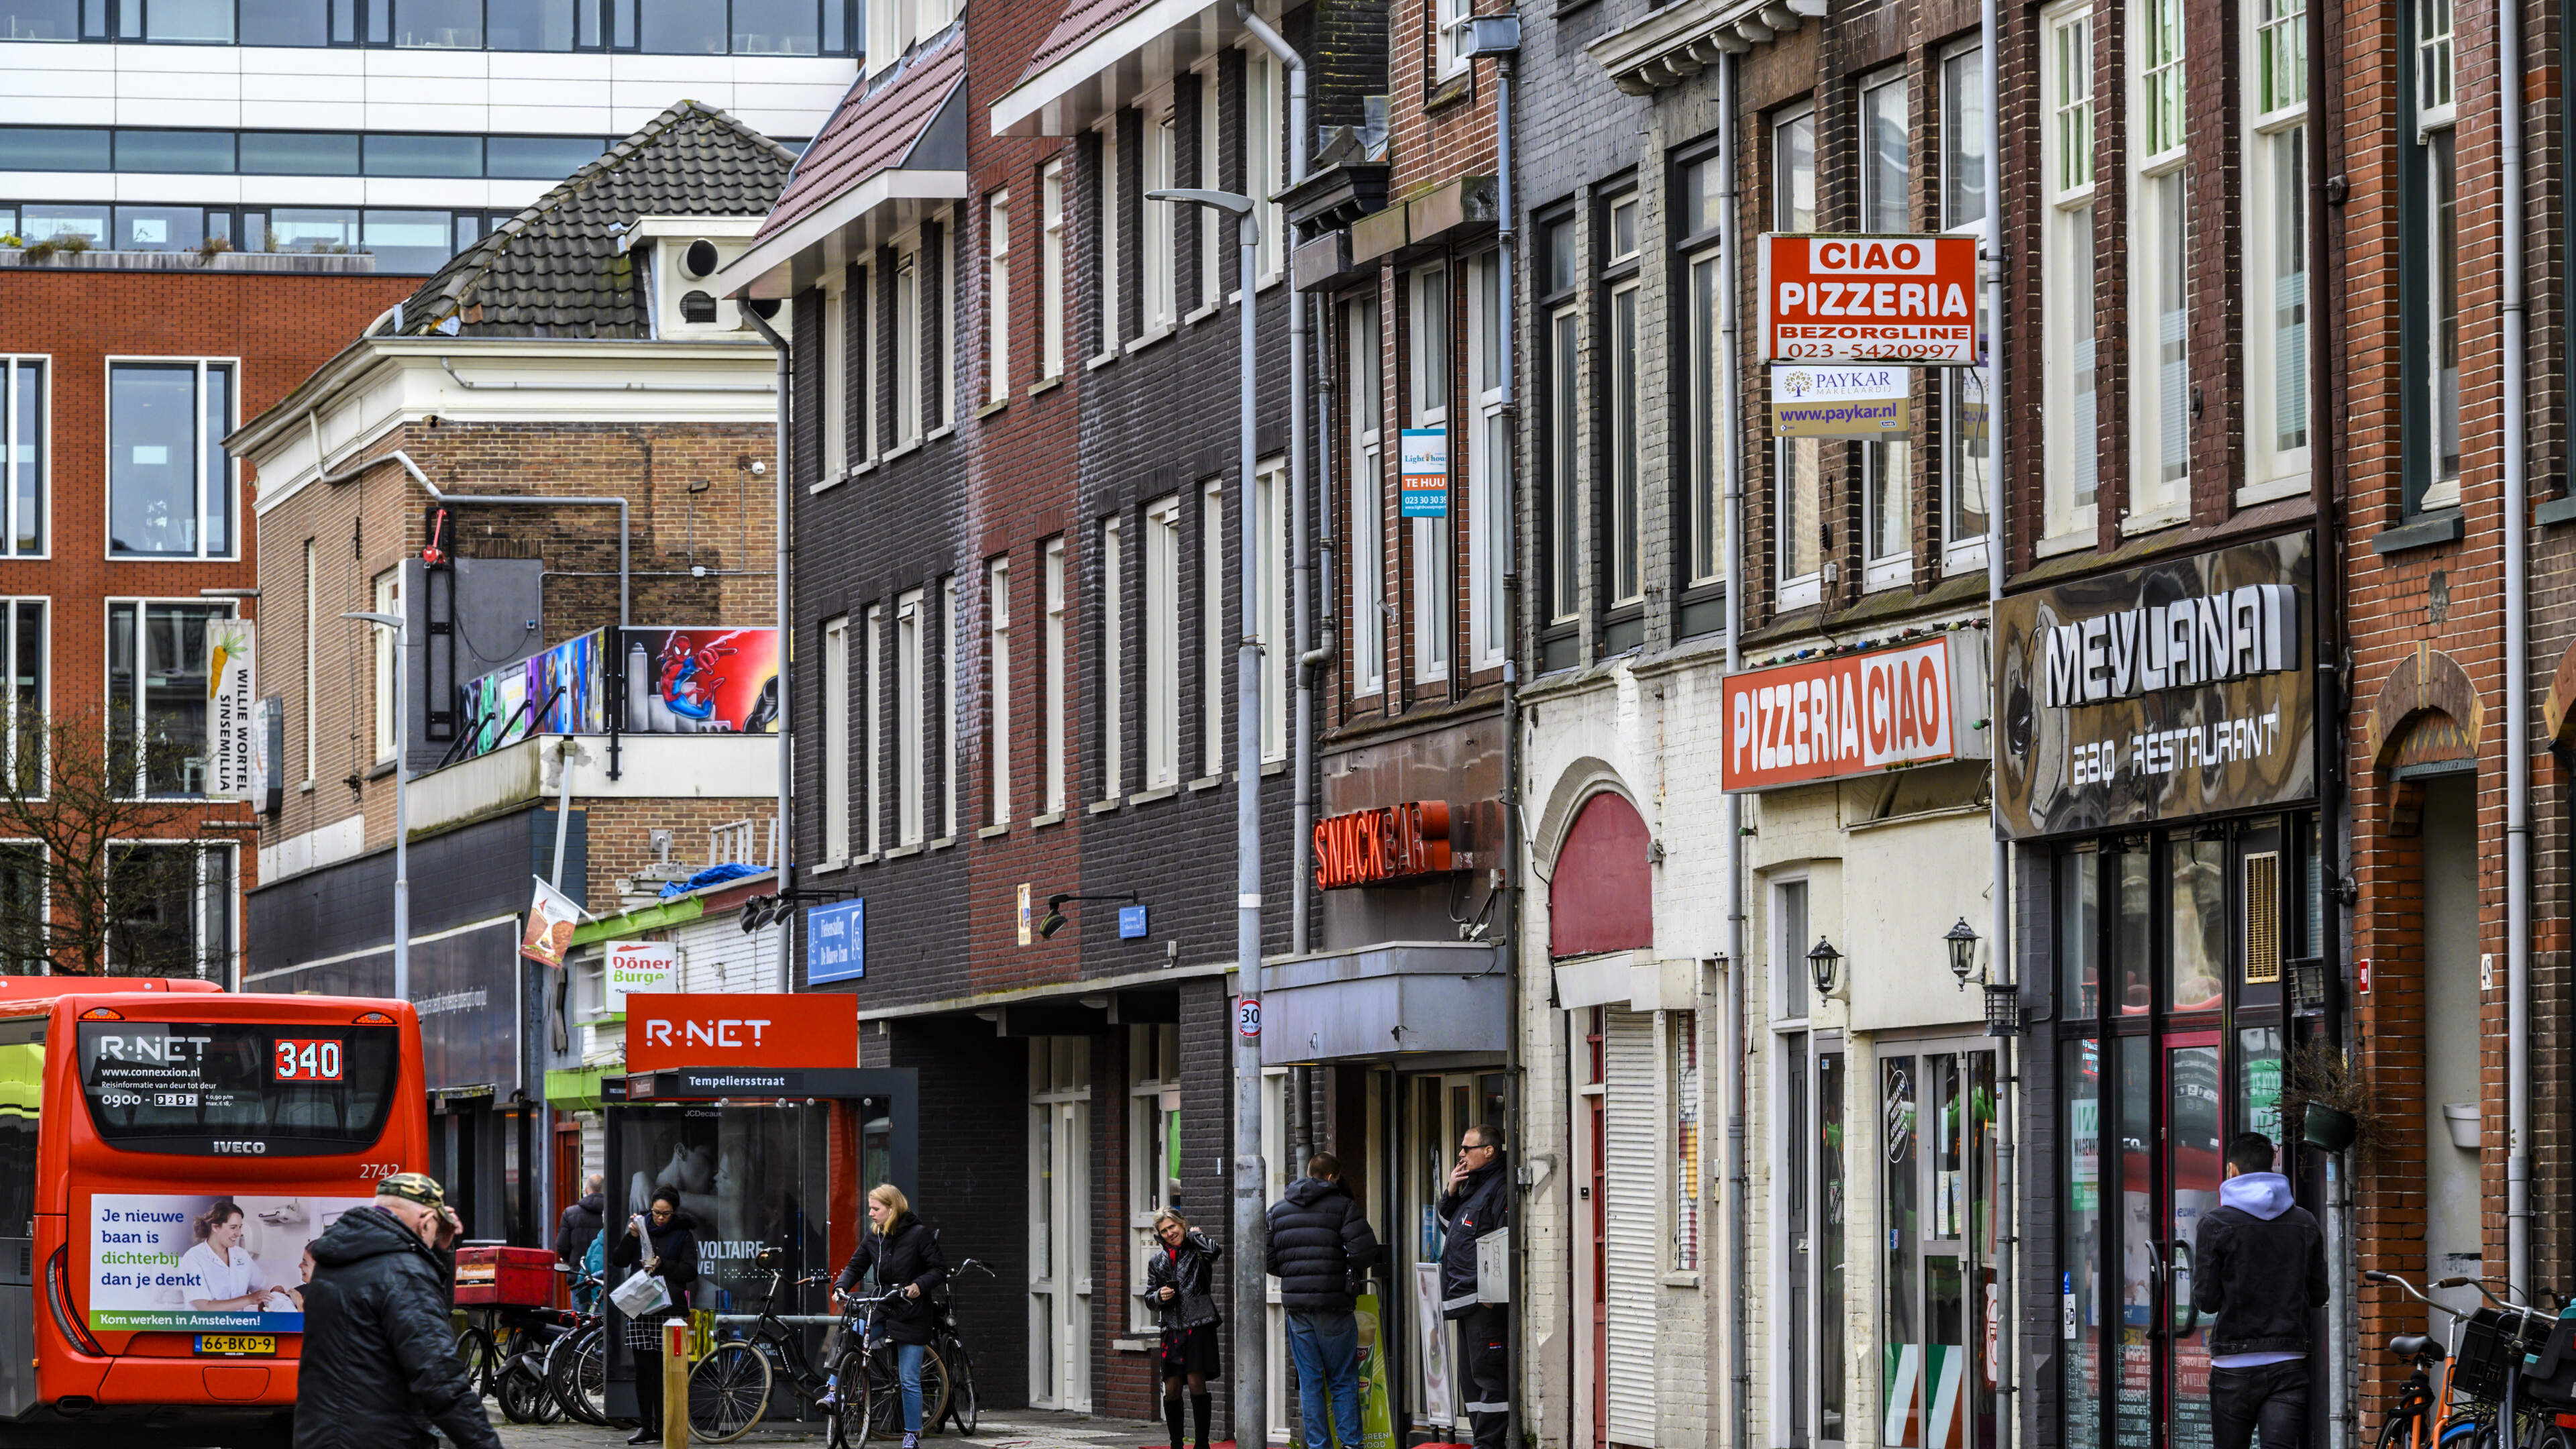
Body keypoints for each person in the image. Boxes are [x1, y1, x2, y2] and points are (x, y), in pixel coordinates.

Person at [293, 1172, 500, 1449]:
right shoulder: (404, 1273)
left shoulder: (333, 1265)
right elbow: (439, 1378)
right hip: (382, 1439)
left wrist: (435, 1251)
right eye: (436, 1229)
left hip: (320, 1436)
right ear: (426, 1222)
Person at [2193, 1131, 2328, 1449]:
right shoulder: (2305, 1222)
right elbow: (2320, 1295)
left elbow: (2207, 1301)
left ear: (2232, 1171)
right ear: (2271, 1170)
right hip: (2289, 1362)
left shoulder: (2215, 1224)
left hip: (2233, 1367)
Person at [1266, 1153, 1381, 1449]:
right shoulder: (1343, 1208)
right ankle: (1352, 1444)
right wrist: (1343, 1271)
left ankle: (1318, 1446)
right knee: (1343, 1379)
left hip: (1298, 1310)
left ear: (1308, 1173)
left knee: (1310, 1382)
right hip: (1334, 1306)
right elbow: (1365, 1252)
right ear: (1333, 1177)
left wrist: (1295, 1272)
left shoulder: (1278, 1211)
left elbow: (1268, 1259)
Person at [831, 1184, 947, 1449]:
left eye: (876, 1208)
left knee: (908, 1378)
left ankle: (911, 1435)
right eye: (870, 1208)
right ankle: (831, 1390)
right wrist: (841, 1286)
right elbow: (856, 1265)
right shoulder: (874, 1236)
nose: (870, 1213)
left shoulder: (919, 1235)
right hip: (883, 1307)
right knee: (852, 1332)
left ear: (892, 1209)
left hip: (913, 1313)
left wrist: (919, 1285)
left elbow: (939, 1270)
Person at [608, 1189, 700, 1446]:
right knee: (643, 1370)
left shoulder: (682, 1234)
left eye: (666, 1214)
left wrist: (663, 1265)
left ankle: (665, 1426)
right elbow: (619, 1259)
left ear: (674, 1212)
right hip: (642, 1306)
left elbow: (690, 1271)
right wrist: (631, 1236)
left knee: (666, 1371)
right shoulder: (640, 1228)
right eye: (656, 1213)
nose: (660, 1218)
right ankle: (646, 1426)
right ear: (650, 1209)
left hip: (669, 1311)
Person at [1438, 1123, 1511, 1449]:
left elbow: (1503, 1239)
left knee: (1489, 1378)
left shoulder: (1501, 1187)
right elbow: (1448, 1229)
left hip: (1484, 1300)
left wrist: (1492, 1293)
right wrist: (1451, 1191)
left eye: (1467, 1148)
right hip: (1464, 1299)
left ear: (1489, 1151)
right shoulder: (1473, 1186)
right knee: (1470, 1382)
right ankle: (1481, 1440)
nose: (1461, 1154)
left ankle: (1490, 1444)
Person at [1143, 1209, 1224, 1449]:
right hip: (1171, 1328)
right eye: (1164, 1231)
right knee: (1172, 1387)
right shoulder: (1157, 1262)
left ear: (1182, 1225)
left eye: (1173, 1228)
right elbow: (1149, 1297)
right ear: (1159, 1235)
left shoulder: (1198, 1251)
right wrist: (1159, 1295)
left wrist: (1195, 1236)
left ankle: (1202, 1444)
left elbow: (1215, 1251)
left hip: (1198, 1326)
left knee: (1196, 1381)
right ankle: (1176, 1444)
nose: (1170, 1233)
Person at [181, 1199, 288, 1311]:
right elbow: (204, 1307)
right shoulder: (193, 1258)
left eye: (240, 1227)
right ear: (215, 1227)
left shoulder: (241, 1255)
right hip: (203, 1327)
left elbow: (263, 1285)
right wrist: (249, 1299)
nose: (238, 1234)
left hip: (236, 1325)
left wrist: (275, 1289)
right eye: (233, 1227)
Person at [556, 1173, 606, 1310]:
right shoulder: (613, 1213)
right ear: (604, 1190)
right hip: (605, 1277)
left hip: (579, 1276)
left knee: (581, 1323)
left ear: (586, 1190)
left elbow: (562, 1245)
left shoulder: (570, 1213)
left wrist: (569, 1262)